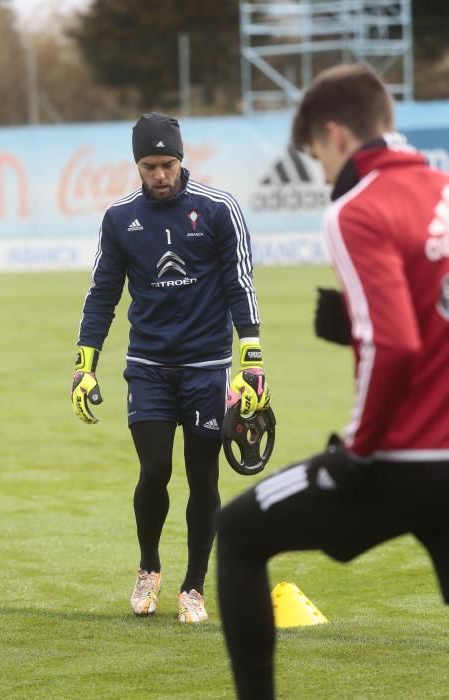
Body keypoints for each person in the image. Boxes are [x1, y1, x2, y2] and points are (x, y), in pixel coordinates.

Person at [216, 64, 449, 698]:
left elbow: (395, 343)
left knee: (236, 532)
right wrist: (354, 325)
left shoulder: (356, 208)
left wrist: (357, 451)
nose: (321, 171)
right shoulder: (443, 187)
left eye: (316, 155)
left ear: (335, 134)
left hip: (402, 460)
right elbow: (428, 323)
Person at [71, 112, 270, 624]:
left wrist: (251, 355)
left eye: (168, 164)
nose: (159, 174)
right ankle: (149, 568)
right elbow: (102, 294)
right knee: (154, 469)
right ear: (136, 164)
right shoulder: (120, 218)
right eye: (149, 165)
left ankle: (194, 587)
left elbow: (239, 282)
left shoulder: (218, 208)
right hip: (149, 367)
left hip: (207, 367)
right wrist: (85, 362)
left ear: (182, 159)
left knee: (202, 476)